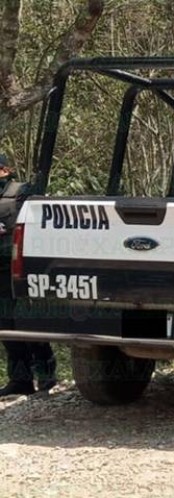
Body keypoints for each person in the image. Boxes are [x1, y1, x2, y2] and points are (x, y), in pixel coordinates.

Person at [0, 153, 56, 397]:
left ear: (5, 170)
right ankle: (20, 380)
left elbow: (37, 225)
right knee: (5, 326)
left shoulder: (22, 192)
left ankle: (46, 376)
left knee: (29, 322)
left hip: (20, 270)